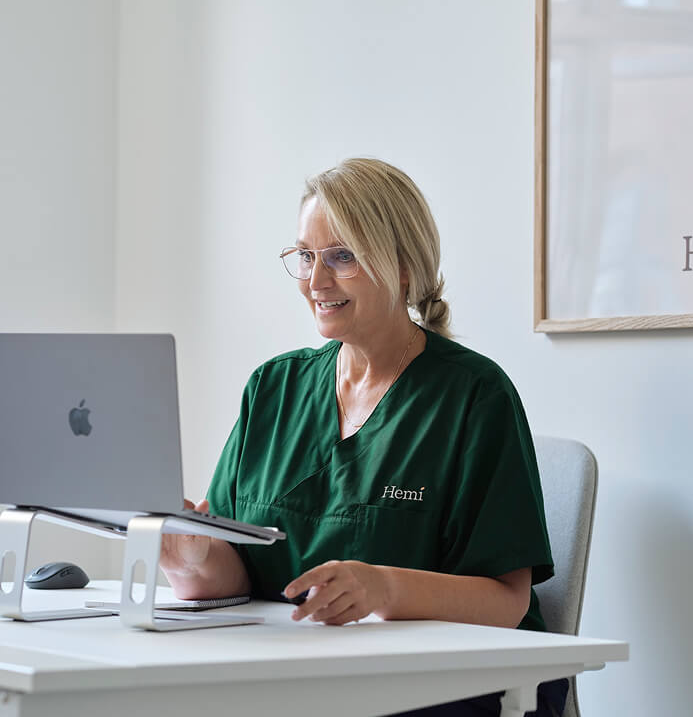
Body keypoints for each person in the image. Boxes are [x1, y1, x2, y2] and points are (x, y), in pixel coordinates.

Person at [159, 157, 567, 716]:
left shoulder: (474, 396)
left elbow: (507, 601)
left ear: (402, 266)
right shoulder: (273, 388)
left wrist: (383, 589)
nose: (316, 281)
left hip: (452, 684)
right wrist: (190, 557)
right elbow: (239, 569)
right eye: (306, 256)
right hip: (295, 675)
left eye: (342, 257)